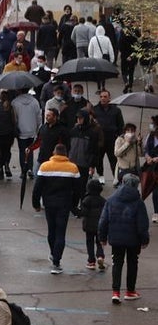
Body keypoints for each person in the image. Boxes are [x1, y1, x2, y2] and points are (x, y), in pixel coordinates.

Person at [99, 172, 150, 303]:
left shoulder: (111, 200)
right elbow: (142, 224)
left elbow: (103, 221)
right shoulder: (138, 203)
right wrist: (144, 239)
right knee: (132, 263)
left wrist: (102, 237)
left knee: (117, 263)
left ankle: (115, 292)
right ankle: (130, 291)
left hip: (116, 238)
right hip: (133, 240)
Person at [33, 144, 83, 274]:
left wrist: (36, 204)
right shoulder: (73, 168)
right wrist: (74, 205)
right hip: (64, 204)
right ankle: (56, 262)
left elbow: (37, 187)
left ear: (54, 153)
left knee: (51, 230)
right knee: (61, 232)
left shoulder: (45, 166)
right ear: (66, 154)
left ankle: (52, 252)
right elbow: (78, 190)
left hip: (49, 204)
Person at [92, 89, 125, 183]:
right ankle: (101, 175)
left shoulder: (116, 110)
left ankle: (115, 177)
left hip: (112, 139)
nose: (103, 98)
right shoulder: (95, 109)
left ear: (109, 98)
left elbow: (120, 125)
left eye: (105, 97)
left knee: (114, 160)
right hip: (99, 139)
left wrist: (120, 137)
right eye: (101, 96)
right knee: (98, 159)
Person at [76, 179, 108, 272]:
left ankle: (91, 261)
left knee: (89, 242)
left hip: (89, 225)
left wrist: (76, 211)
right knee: (99, 242)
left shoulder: (86, 200)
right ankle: (100, 256)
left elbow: (83, 213)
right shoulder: (103, 201)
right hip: (100, 225)